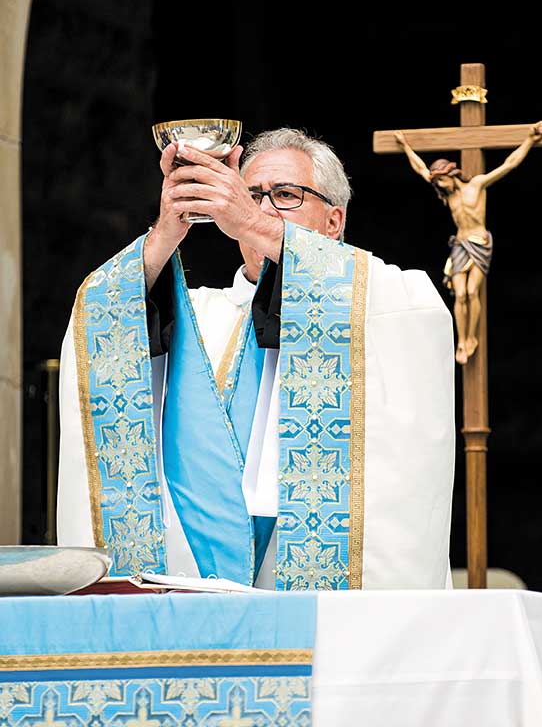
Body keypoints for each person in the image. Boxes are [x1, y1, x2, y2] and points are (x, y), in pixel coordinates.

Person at [58, 128, 455, 590]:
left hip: (315, 587)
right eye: (249, 195)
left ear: (333, 221)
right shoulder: (196, 312)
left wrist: (252, 221)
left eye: (285, 195)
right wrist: (169, 228)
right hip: (188, 581)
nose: (261, 208)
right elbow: (103, 316)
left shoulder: (386, 299)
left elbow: (418, 317)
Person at [395, 122, 542, 365]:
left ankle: (471, 338)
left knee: (472, 290)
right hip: (461, 244)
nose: (439, 186)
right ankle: (463, 339)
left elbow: (510, 163)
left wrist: (529, 139)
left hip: (480, 242)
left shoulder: (476, 185)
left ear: (451, 174)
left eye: (442, 181)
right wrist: (405, 147)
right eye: (437, 184)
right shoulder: (449, 197)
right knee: (460, 293)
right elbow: (421, 169)